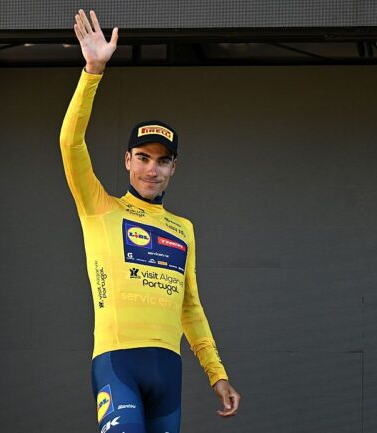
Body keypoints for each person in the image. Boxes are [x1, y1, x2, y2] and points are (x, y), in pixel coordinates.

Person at [60, 9, 241, 433]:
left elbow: (191, 308)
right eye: (142, 158)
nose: (151, 169)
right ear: (127, 160)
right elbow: (70, 143)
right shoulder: (100, 207)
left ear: (174, 168)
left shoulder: (183, 229)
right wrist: (92, 71)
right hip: (117, 362)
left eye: (162, 161)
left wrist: (217, 374)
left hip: (168, 371)